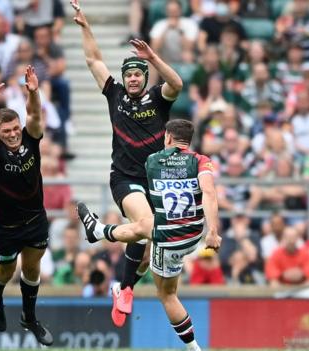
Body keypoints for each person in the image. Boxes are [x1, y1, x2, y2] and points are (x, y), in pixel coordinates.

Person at [71, 0, 184, 327]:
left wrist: (154, 58)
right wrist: (85, 27)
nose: (133, 79)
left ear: (145, 78)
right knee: (148, 227)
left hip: (156, 182)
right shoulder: (115, 95)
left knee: (146, 242)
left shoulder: (158, 99)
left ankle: (124, 287)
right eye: (129, 74)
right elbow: (93, 59)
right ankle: (99, 231)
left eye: (138, 74)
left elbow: (177, 84)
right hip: (125, 179)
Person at [78, 119, 222, 351]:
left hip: (167, 238)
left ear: (167, 138)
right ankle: (124, 281)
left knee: (167, 294)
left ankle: (100, 232)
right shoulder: (201, 161)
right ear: (189, 141)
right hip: (193, 235)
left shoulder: (153, 161)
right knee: (144, 229)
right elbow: (209, 192)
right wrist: (213, 231)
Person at [0, 65, 53, 346]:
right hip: (6, 226)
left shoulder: (30, 138)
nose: (11, 134)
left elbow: (34, 115)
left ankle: (29, 317)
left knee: (32, 269)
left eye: (14, 128)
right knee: (6, 272)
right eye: (5, 130)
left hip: (35, 219)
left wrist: (33, 93)